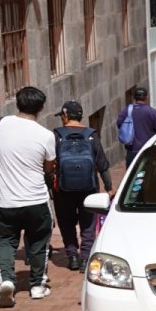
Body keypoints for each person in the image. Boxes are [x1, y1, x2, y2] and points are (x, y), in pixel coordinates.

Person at [0, 87, 57, 307]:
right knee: (39, 242)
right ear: (41, 108)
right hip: (36, 200)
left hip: (5, 201)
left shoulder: (0, 124)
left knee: (5, 242)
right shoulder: (46, 135)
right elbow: (49, 168)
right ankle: (37, 285)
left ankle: (7, 280)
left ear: (17, 104)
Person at [52, 101, 113, 273]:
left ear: (65, 115)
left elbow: (49, 163)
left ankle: (72, 256)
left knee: (66, 221)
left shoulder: (57, 135)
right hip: (89, 187)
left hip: (63, 189)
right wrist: (109, 188)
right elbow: (102, 164)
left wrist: (51, 186)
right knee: (88, 223)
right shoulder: (91, 135)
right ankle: (86, 258)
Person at [116, 86, 156, 167]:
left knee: (132, 175)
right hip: (146, 149)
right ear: (146, 97)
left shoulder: (127, 110)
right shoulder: (150, 111)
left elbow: (119, 124)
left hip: (131, 150)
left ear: (134, 97)